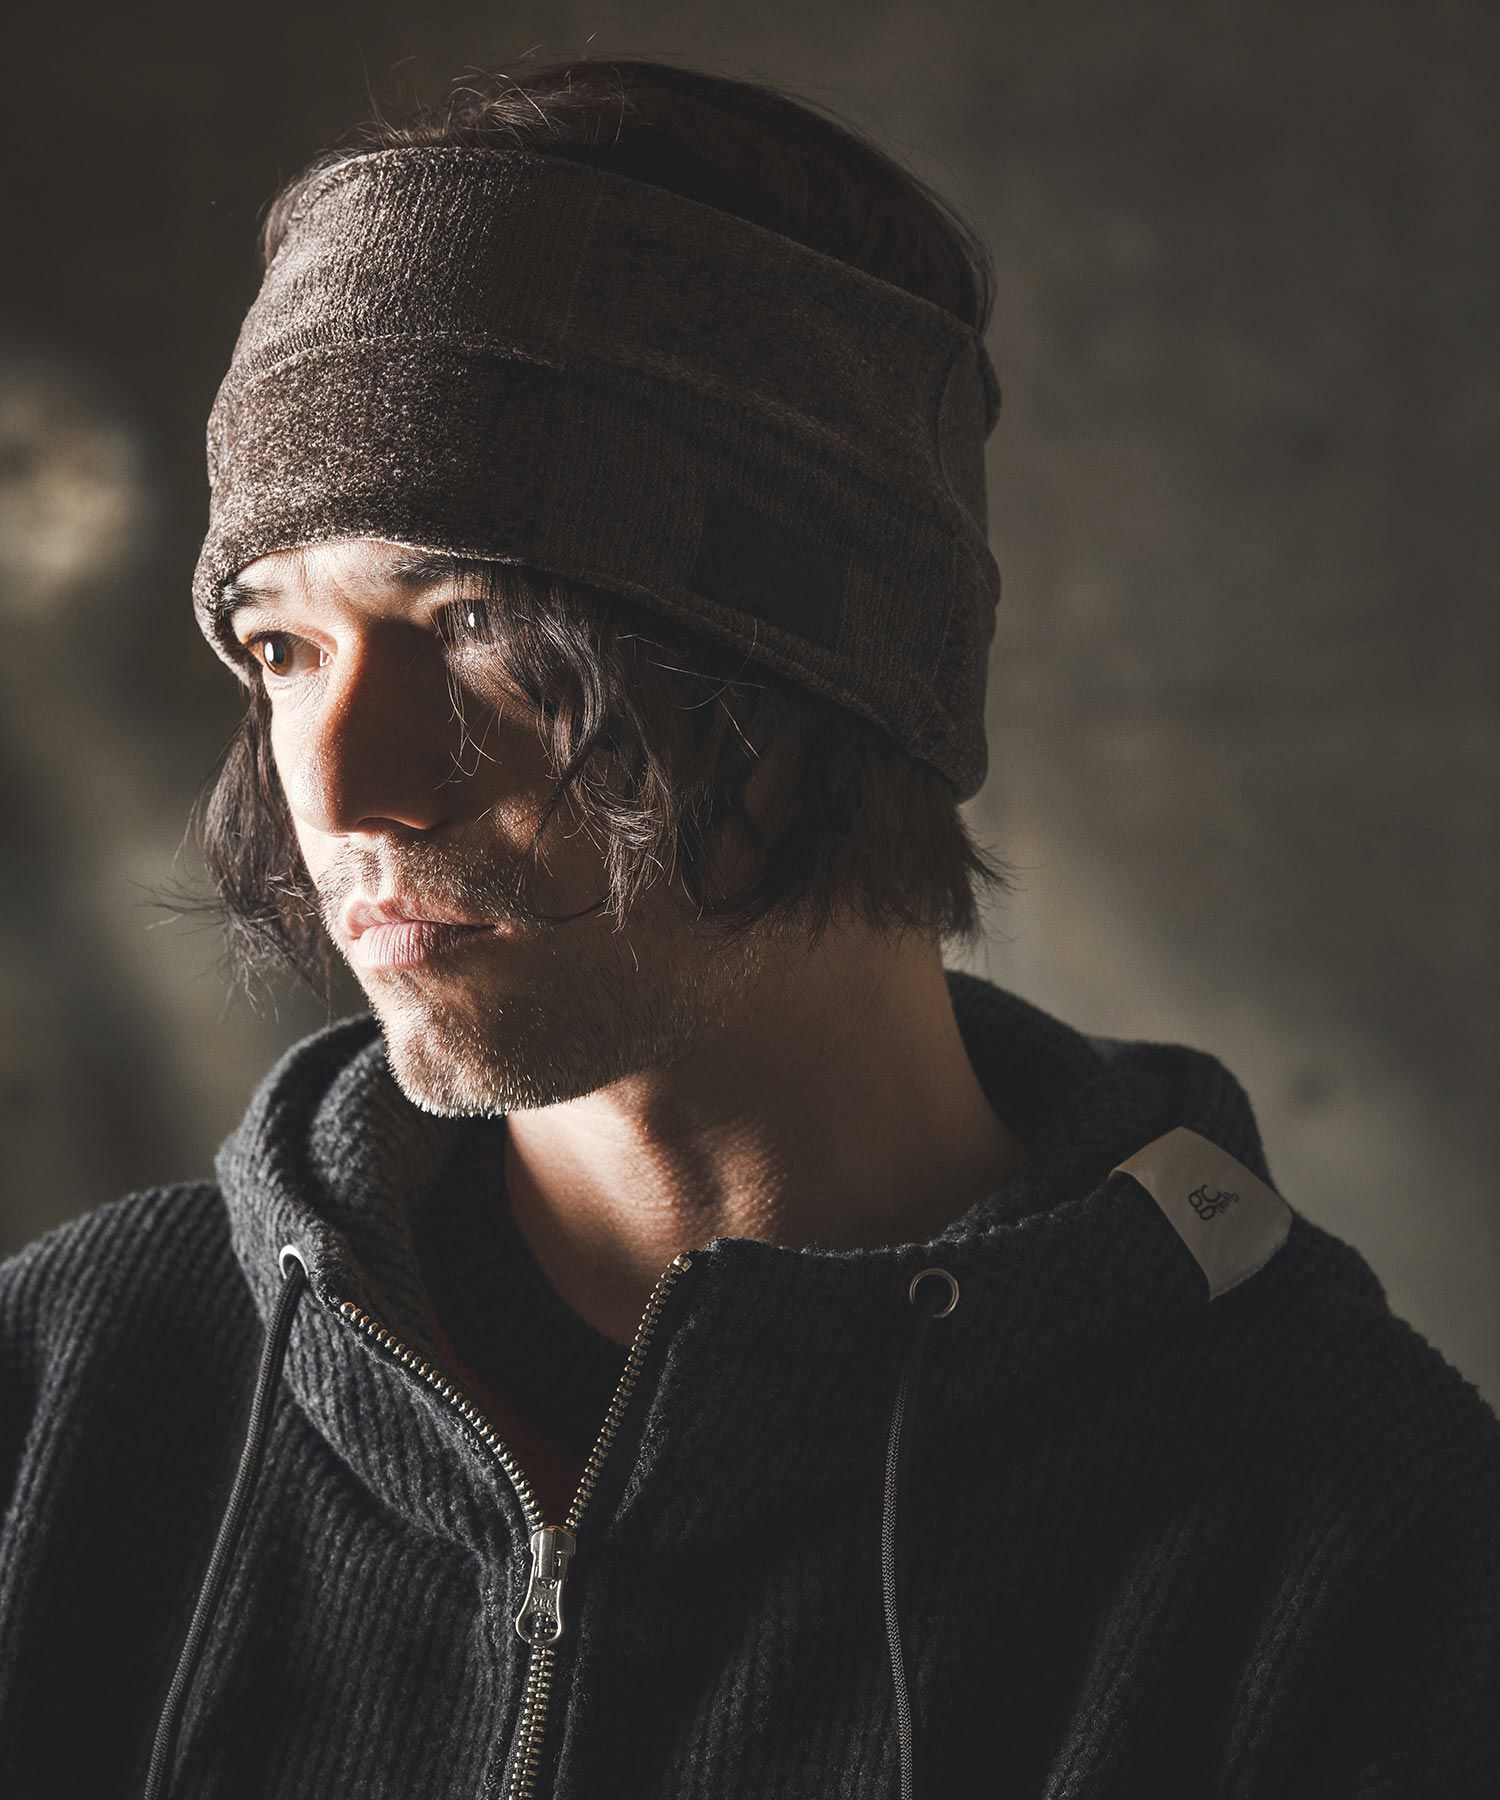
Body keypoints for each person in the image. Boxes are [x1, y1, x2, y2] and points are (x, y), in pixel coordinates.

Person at [1, 55, 1497, 1800]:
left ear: (829, 668)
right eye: (281, 645)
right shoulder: (67, 1384)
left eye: (474, 619)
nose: (340, 782)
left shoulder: (1348, 1535)